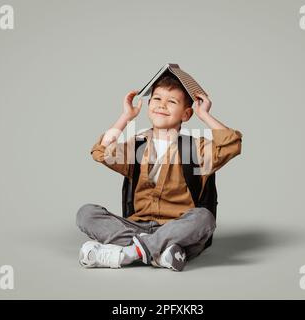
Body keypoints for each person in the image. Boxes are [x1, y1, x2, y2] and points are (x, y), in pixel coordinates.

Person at [76, 73, 243, 271]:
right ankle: (161, 253)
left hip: (179, 229)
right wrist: (126, 117)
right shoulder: (137, 145)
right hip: (137, 226)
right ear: (148, 106)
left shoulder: (196, 149)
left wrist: (205, 114)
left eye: (172, 101)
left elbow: (231, 144)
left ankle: (129, 253)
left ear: (186, 114)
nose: (162, 105)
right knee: (86, 213)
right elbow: (102, 152)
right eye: (157, 99)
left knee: (204, 218)